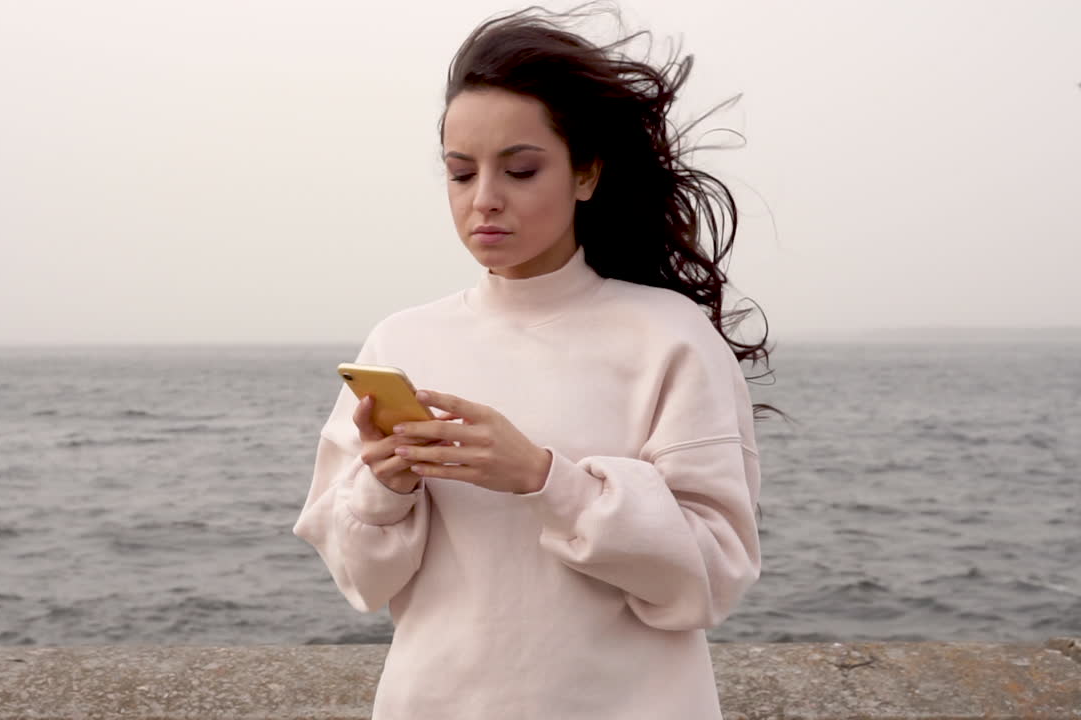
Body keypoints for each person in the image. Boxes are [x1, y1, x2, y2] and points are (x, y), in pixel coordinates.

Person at [293, 4, 777, 718]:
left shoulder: (669, 337)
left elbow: (712, 575)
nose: (485, 200)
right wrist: (384, 490)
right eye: (461, 175)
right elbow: (362, 582)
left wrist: (545, 479)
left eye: (520, 169)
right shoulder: (400, 342)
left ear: (586, 173)